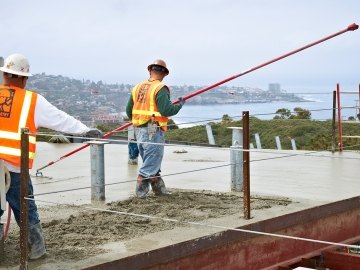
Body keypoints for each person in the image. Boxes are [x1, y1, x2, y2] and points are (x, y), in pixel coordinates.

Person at [0, 53, 102, 260]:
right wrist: (84, 131)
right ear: (25, 78)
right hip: (14, 168)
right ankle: (37, 250)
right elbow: (60, 119)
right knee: (26, 209)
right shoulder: (31, 100)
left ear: (4, 75)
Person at [126, 59, 185, 198]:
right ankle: (140, 193)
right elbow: (166, 110)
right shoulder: (160, 88)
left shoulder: (137, 87)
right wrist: (180, 105)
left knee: (151, 161)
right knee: (152, 161)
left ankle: (159, 190)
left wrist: (139, 120)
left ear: (149, 71)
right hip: (153, 129)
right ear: (165, 74)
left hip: (139, 130)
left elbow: (129, 110)